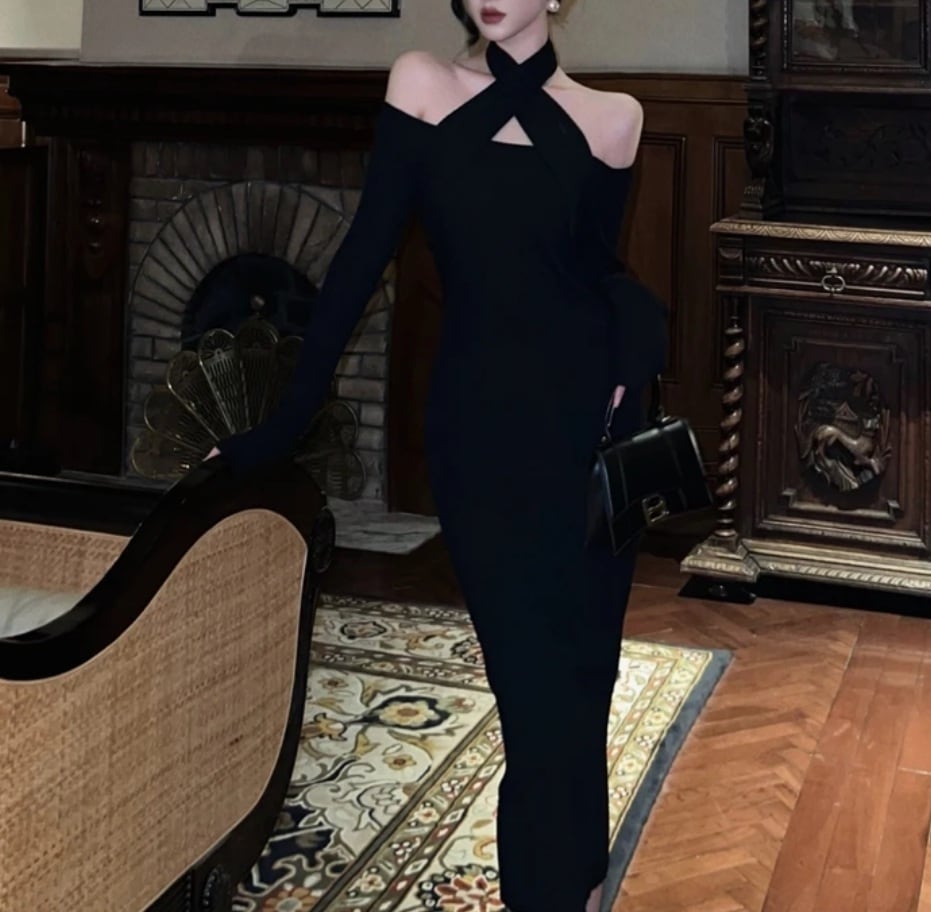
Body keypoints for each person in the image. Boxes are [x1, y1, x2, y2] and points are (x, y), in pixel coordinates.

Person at [209, 2, 668, 909]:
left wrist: (638, 348)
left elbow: (596, 274)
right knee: (530, 689)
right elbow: (358, 261)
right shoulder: (421, 83)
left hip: (590, 427)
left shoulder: (616, 117)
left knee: (583, 677)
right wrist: (284, 423)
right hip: (479, 429)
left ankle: (574, 883)